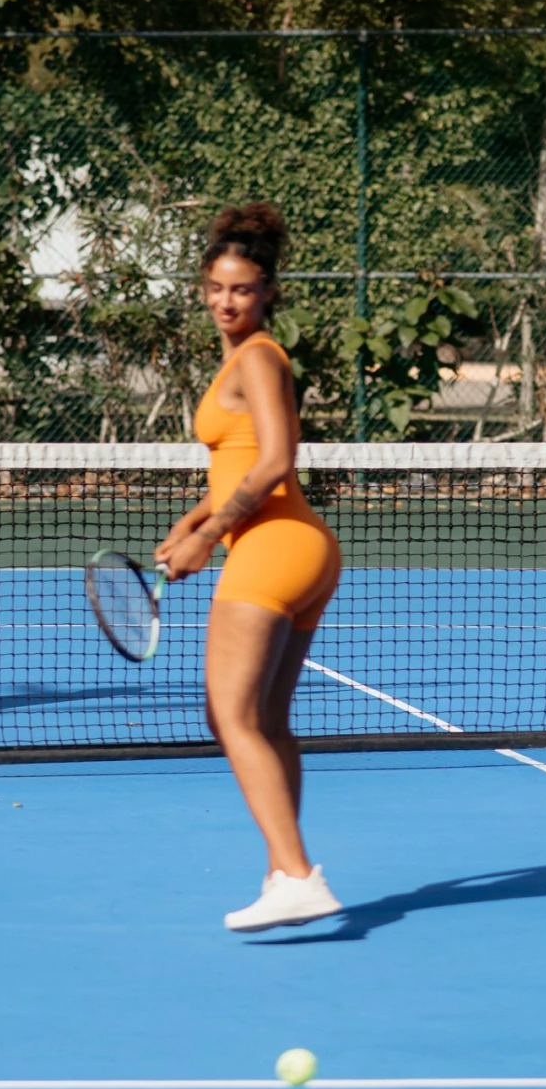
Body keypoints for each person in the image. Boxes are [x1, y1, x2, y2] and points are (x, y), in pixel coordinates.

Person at [156, 204, 345, 933]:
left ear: (268, 291)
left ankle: (297, 873)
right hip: (301, 547)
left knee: (226, 714)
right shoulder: (241, 358)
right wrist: (195, 521)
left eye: (240, 288)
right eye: (214, 287)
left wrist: (215, 536)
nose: (224, 301)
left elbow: (274, 460)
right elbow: (238, 462)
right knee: (267, 718)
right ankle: (281, 870)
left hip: (274, 545)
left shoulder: (260, 356)